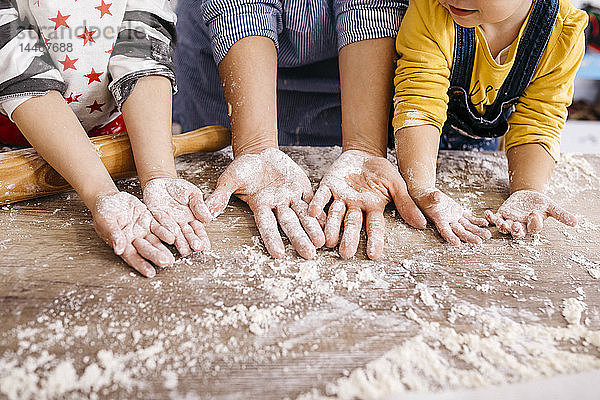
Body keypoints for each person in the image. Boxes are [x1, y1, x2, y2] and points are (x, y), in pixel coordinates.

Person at [173, 0, 426, 261]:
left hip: (355, 67)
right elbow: (241, 8)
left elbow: (372, 6)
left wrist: (364, 147)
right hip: (232, 56)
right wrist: (256, 146)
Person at [0, 0, 212, 277]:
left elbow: (142, 45)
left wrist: (158, 173)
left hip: (118, 124)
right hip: (17, 130)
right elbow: (19, 73)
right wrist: (101, 193)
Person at [393, 0, 586, 244]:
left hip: (478, 147)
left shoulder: (561, 34)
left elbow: (538, 121)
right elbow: (419, 101)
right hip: (412, 141)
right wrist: (421, 186)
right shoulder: (431, 8)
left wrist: (528, 189)